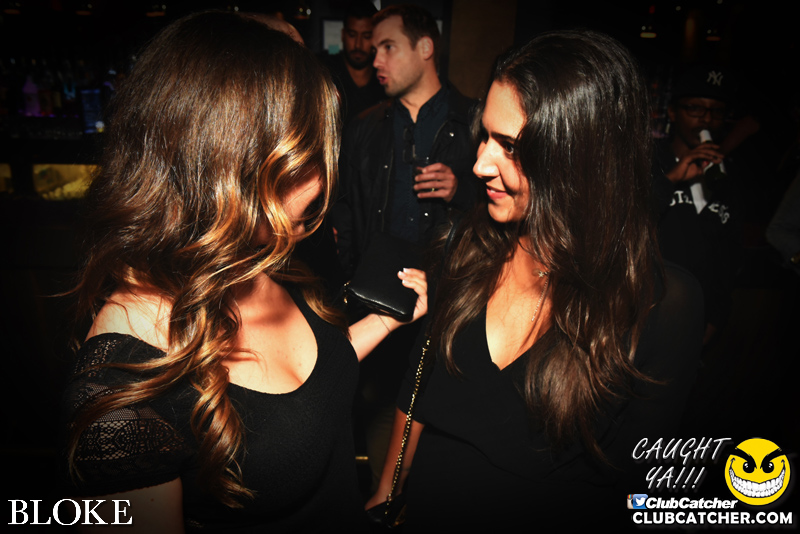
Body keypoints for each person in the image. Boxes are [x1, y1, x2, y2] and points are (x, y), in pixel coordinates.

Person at [61, 11, 427, 533]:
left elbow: (307, 383)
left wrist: (385, 322)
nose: (322, 185)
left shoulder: (257, 260)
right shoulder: (125, 379)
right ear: (228, 162)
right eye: (303, 159)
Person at [367, 30, 704, 530]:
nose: (480, 164)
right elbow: (418, 383)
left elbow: (645, 484)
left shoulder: (660, 303)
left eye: (510, 146)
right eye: (485, 136)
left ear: (581, 157)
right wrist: (386, 492)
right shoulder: (469, 245)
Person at [333, 3, 478, 279]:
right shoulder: (364, 126)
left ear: (425, 48)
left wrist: (459, 191)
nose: (376, 61)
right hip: (375, 285)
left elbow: (504, 209)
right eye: (375, 51)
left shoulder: (472, 122)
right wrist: (348, 276)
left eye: (388, 47)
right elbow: (345, 208)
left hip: (445, 288)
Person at [652, 66, 743, 343]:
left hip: (700, 329)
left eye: (716, 111)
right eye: (695, 108)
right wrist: (671, 179)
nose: (706, 119)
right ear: (672, 112)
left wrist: (716, 319)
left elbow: (729, 257)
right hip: (649, 321)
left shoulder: (728, 175)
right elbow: (626, 223)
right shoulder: (649, 163)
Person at [318, 0, 384, 125]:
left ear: (376, 37)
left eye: (366, 36)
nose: (358, 45)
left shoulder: (384, 77)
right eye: (352, 35)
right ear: (343, 35)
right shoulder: (324, 71)